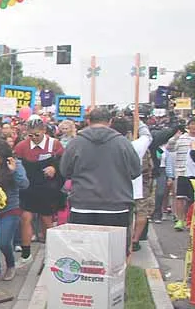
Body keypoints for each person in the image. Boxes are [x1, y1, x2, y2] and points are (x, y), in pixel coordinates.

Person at [60, 108, 142, 249]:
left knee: (83, 252)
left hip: (83, 204)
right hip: (116, 205)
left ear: (88, 121)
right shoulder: (123, 143)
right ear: (110, 121)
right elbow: (135, 171)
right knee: (114, 252)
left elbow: (64, 171)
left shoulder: (76, 143)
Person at [14, 117, 64, 264]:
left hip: (47, 187)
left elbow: (64, 163)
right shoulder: (21, 146)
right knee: (26, 218)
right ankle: (26, 254)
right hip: (28, 187)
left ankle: (51, 253)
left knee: (46, 219)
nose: (34, 138)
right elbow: (17, 165)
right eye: (30, 135)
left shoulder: (54, 144)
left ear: (44, 131)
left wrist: (54, 168)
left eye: (37, 134)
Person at [0, 141, 29, 281]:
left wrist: (13, 172)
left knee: (3, 240)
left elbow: (24, 184)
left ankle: (10, 264)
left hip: (10, 208)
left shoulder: (15, 164)